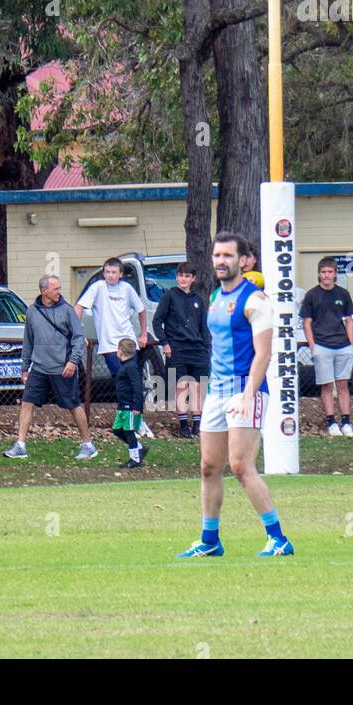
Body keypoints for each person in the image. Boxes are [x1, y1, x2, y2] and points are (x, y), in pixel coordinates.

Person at [178, 232, 293, 558]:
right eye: (217, 256)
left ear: (243, 261)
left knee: (241, 465)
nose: (221, 261)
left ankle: (279, 538)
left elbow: (264, 354)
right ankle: (210, 540)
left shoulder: (255, 300)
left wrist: (247, 394)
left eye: (228, 256)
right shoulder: (214, 296)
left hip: (247, 391)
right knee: (209, 466)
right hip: (218, 391)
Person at [4, 274, 97, 462]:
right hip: (38, 368)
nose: (58, 292)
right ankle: (20, 445)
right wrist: (25, 367)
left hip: (62, 368)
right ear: (43, 290)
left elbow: (79, 338)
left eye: (59, 288)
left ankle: (88, 444)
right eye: (55, 289)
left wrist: (72, 361)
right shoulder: (31, 312)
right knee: (27, 403)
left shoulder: (67, 310)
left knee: (73, 405)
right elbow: (28, 341)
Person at [76, 258, 149, 466]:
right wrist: (77, 332)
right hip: (109, 346)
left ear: (120, 274)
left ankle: (136, 420)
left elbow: (142, 310)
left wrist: (143, 334)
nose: (110, 275)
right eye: (107, 272)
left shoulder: (126, 289)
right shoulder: (97, 288)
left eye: (114, 272)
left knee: (132, 382)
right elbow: (78, 307)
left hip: (128, 343)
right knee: (120, 382)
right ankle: (132, 427)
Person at [152, 262, 210, 438]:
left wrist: (206, 347)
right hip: (177, 349)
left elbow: (203, 326)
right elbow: (157, 322)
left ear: (193, 278)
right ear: (176, 277)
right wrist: (165, 343)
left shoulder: (198, 299)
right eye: (181, 275)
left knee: (197, 387)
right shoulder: (169, 296)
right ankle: (183, 425)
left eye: (187, 276)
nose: (183, 279)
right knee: (181, 386)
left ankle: (197, 425)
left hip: (197, 349)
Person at [301, 257, 353, 436]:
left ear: (335, 274)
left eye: (330, 272)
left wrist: (350, 343)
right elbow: (306, 322)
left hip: (342, 346)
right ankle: (331, 422)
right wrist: (312, 346)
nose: (326, 275)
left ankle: (346, 422)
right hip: (322, 345)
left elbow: (349, 320)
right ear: (319, 274)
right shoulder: (311, 295)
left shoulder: (343, 294)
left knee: (343, 385)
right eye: (323, 272)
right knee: (326, 385)